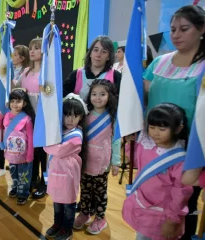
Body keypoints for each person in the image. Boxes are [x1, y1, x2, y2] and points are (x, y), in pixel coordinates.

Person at [142, 6, 205, 239]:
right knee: (155, 198)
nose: (176, 34)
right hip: (154, 146)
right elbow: (145, 97)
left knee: (183, 204)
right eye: (173, 30)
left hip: (189, 151)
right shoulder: (159, 63)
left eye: (184, 29)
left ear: (201, 29)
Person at [122, 103, 193, 240]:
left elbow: (181, 192)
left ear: (178, 129)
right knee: (141, 236)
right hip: (142, 205)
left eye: (162, 129)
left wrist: (171, 221)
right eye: (152, 127)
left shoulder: (179, 159)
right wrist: (130, 145)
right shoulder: (146, 145)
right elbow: (136, 162)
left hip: (163, 214)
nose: (155, 133)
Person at [74, 79, 120, 234]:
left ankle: (100, 218)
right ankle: (85, 213)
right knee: (85, 189)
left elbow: (116, 141)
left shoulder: (113, 117)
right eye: (94, 94)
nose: (97, 97)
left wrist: (116, 162)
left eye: (102, 94)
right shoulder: (85, 115)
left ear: (110, 96)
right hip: (86, 159)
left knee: (100, 192)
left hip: (103, 161)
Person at [44, 93, 88, 240]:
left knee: (68, 205)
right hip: (56, 172)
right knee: (57, 202)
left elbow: (59, 150)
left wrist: (46, 145)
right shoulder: (59, 131)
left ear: (80, 117)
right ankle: (57, 224)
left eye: (75, 116)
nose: (70, 119)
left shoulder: (76, 135)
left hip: (68, 174)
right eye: (67, 115)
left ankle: (67, 229)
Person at [17, 38, 48, 199]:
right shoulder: (26, 71)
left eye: (36, 48)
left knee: (43, 152)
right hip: (29, 116)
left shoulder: (47, 70)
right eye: (31, 48)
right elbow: (18, 88)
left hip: (42, 116)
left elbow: (51, 92)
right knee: (32, 150)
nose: (33, 51)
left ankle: (45, 181)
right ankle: (33, 178)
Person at [0, 89, 35, 205]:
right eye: (12, 101)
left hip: (23, 155)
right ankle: (14, 188)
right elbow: (1, 128)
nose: (14, 104)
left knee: (23, 175)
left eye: (18, 101)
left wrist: (30, 154)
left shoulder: (27, 119)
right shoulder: (7, 115)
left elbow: (30, 137)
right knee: (13, 173)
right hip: (11, 153)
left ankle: (23, 193)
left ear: (24, 103)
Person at [63, 36, 122, 102]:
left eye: (104, 52)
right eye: (96, 50)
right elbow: (61, 96)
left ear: (108, 57)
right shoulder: (76, 74)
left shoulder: (116, 76)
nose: (98, 55)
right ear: (90, 53)